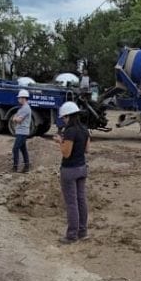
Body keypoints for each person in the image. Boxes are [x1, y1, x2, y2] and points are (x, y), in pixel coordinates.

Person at [54, 101, 90, 244]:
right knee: (81, 200)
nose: (63, 120)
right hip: (82, 168)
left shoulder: (69, 131)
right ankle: (83, 232)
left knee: (71, 203)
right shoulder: (84, 130)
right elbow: (87, 150)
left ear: (68, 116)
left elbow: (66, 153)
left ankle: (72, 235)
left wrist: (60, 141)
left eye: (64, 118)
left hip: (69, 170)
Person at [11, 89, 32, 173]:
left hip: (22, 132)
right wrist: (15, 118)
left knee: (15, 148)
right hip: (21, 131)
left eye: (19, 98)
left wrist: (15, 118)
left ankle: (15, 167)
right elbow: (15, 117)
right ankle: (26, 166)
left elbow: (18, 119)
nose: (18, 99)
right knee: (23, 149)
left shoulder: (25, 108)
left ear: (23, 98)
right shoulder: (22, 108)